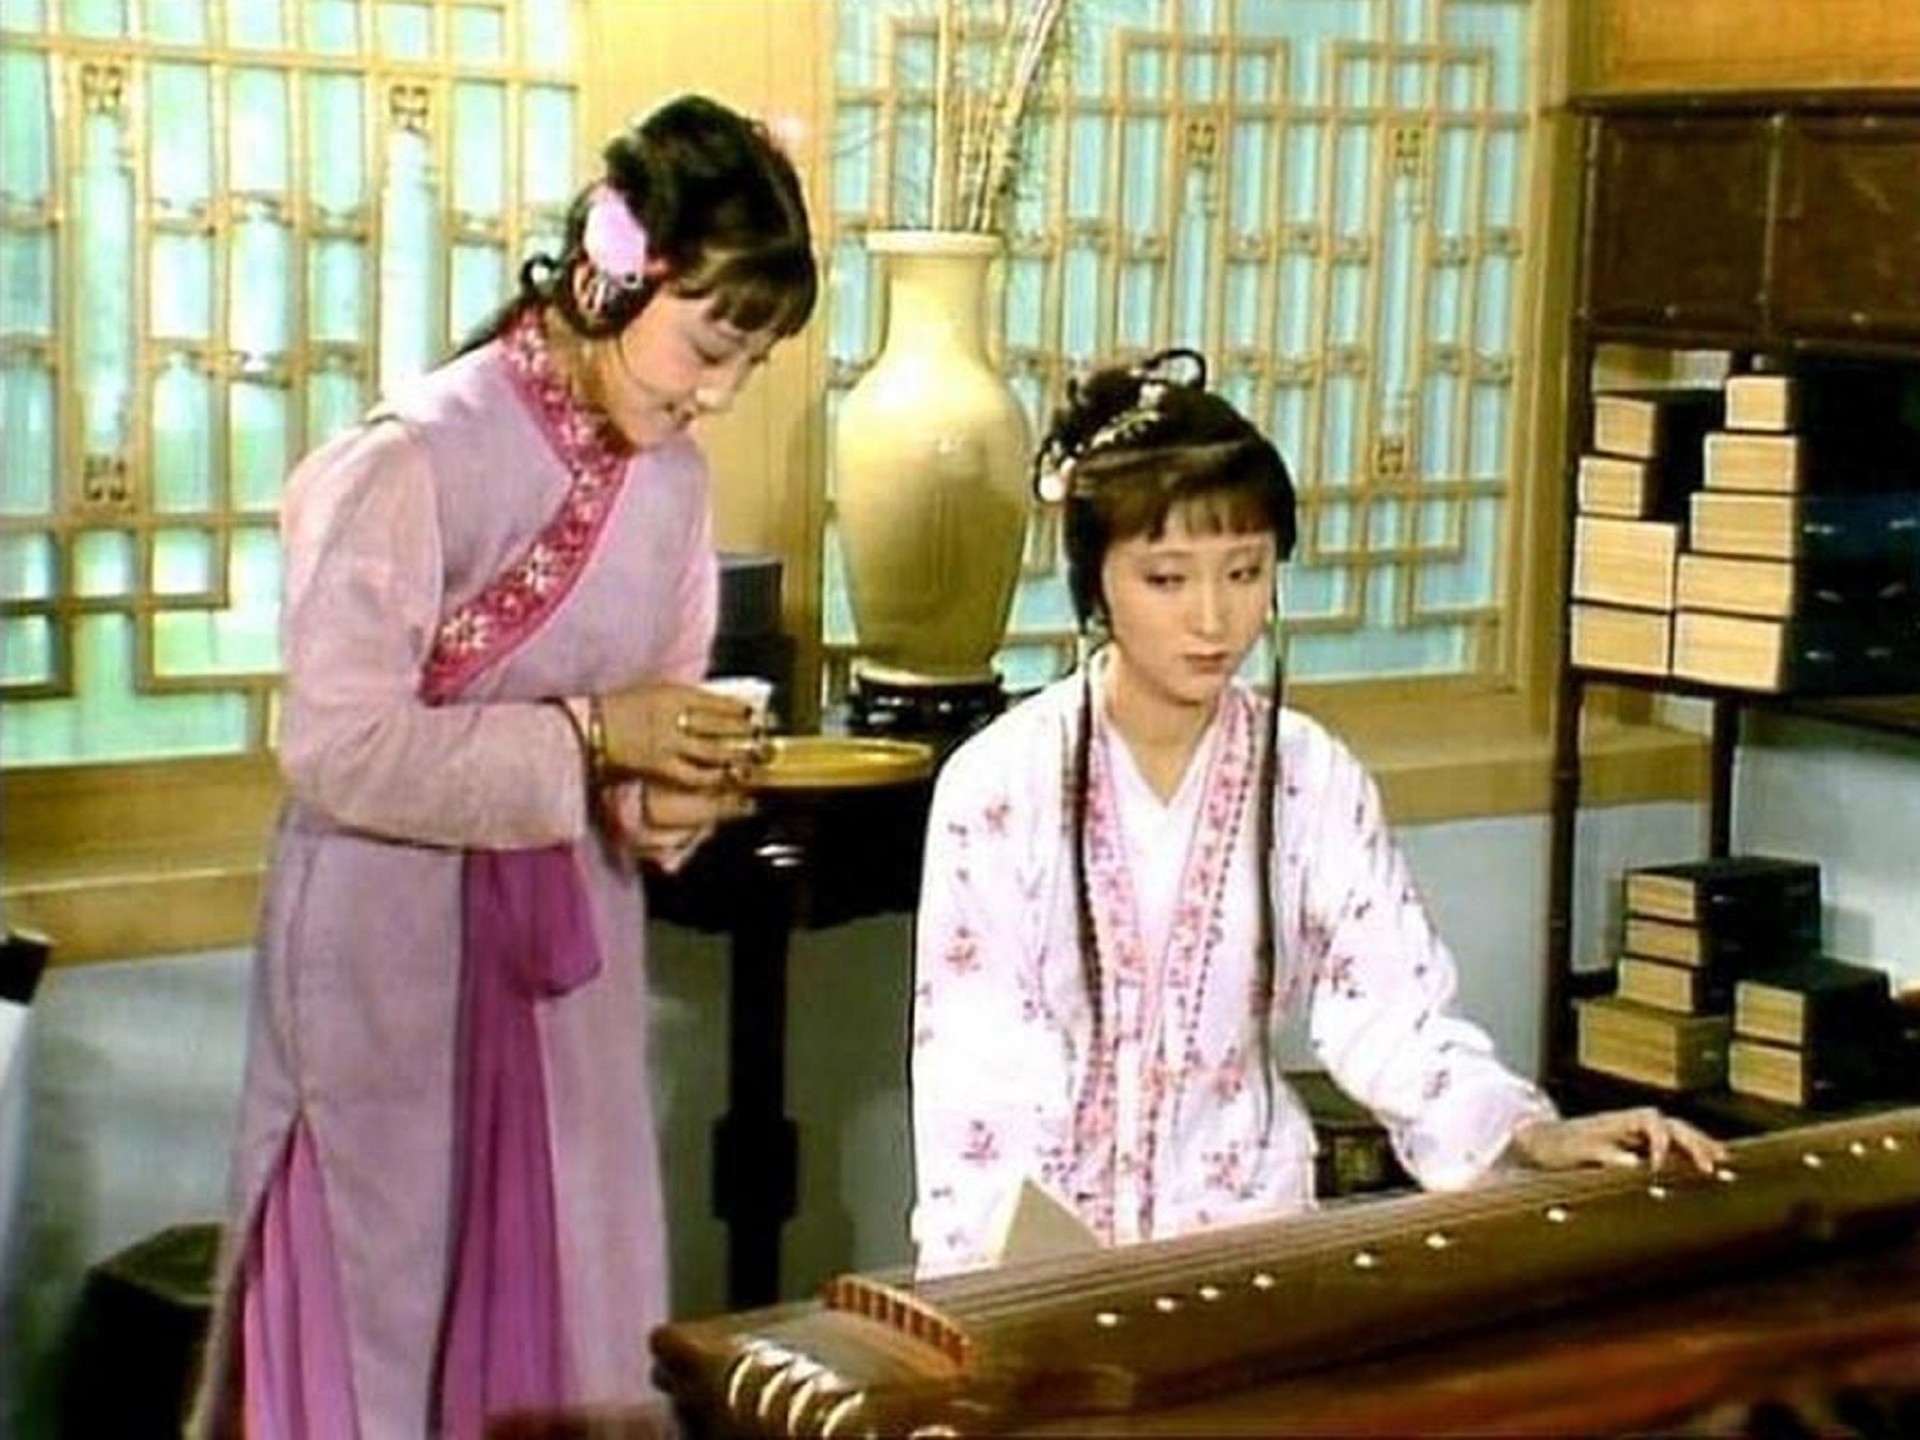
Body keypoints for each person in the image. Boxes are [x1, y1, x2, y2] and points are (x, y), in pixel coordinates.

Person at [192, 94, 816, 1436]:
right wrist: (592, 735)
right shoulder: (417, 454)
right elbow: (337, 748)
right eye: (712, 344)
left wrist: (673, 792)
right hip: (388, 938)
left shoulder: (674, 484)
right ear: (613, 278)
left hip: (567, 946)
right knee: (382, 1309)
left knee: (577, 1305)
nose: (717, 393)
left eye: (753, 363)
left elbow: (649, 726)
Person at [909, 349, 1725, 1278]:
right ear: (1096, 582)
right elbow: (976, 1074)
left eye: (1245, 572)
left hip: (1250, 1239)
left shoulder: (1310, 776)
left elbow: (1393, 1012)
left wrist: (1527, 1134)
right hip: (1039, 1267)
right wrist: (1016, 1285)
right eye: (1167, 579)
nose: (1213, 618)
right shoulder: (1000, 786)